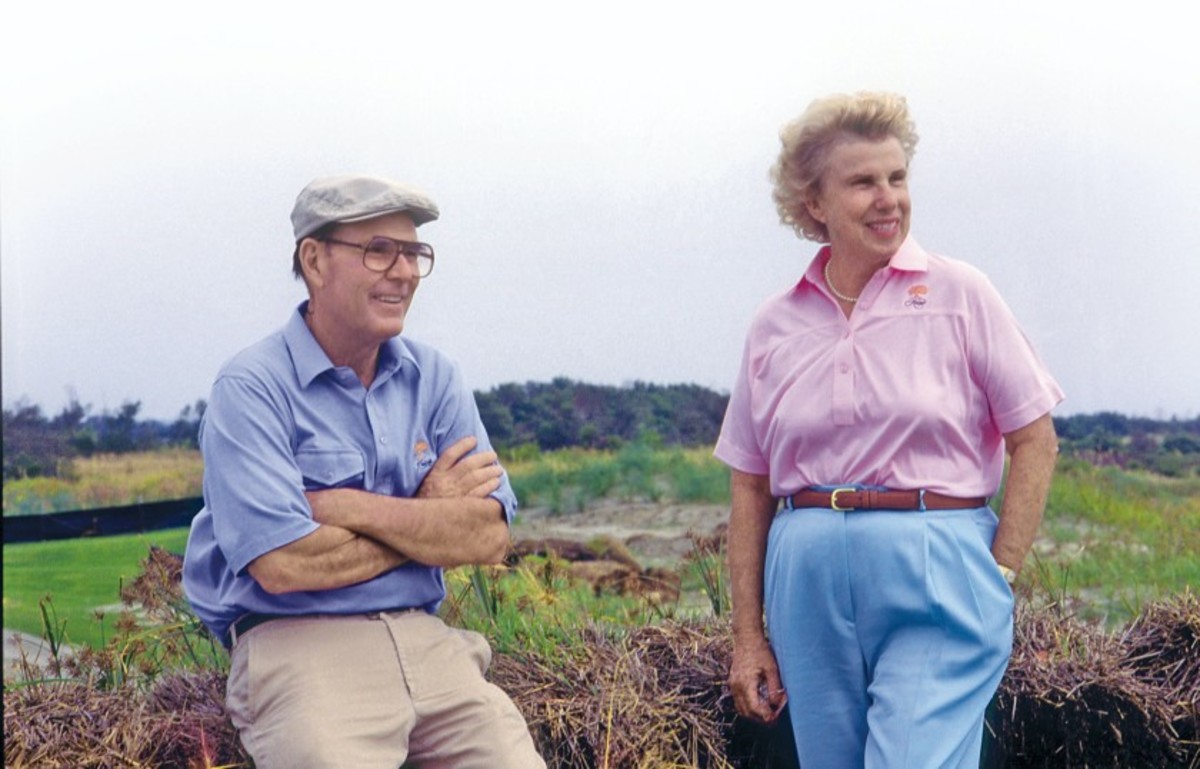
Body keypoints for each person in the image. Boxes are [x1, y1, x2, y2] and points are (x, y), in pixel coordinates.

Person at [715, 92, 1063, 768]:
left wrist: (999, 572)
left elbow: (1035, 439)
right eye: (863, 182)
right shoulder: (774, 323)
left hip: (938, 567)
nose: (888, 199)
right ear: (814, 202)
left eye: (897, 178)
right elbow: (750, 486)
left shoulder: (961, 293)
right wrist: (748, 636)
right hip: (806, 579)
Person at [182, 174, 545, 769]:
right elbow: (283, 564)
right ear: (314, 260)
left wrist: (350, 507)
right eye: (379, 250)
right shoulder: (250, 388)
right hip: (298, 648)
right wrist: (427, 517)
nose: (404, 272)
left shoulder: (436, 378)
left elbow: (488, 536)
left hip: (429, 643)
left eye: (414, 253)